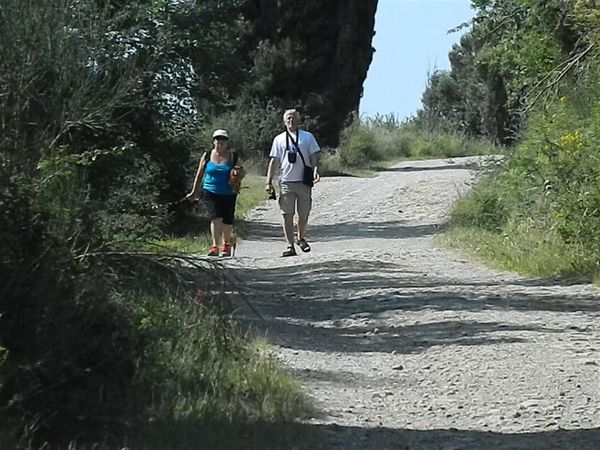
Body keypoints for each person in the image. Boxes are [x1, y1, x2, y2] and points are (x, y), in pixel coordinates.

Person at [266, 109, 321, 257]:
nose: (291, 121)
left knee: (303, 214)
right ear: (284, 122)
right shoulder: (279, 139)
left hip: (304, 181)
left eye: (293, 118)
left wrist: (316, 170)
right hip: (286, 181)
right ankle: (290, 245)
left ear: (298, 120)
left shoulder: (307, 137)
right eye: (288, 118)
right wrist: (268, 181)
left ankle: (301, 237)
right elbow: (274, 160)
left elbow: (314, 155)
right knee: (287, 214)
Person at [186, 129, 245, 257]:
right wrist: (194, 192)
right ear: (213, 141)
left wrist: (237, 175)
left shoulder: (233, 156)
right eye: (218, 139)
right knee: (215, 217)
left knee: (227, 221)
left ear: (227, 142)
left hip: (229, 192)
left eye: (223, 140)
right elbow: (200, 174)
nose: (220, 142)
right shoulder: (207, 155)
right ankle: (214, 246)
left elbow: (242, 171)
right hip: (210, 191)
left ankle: (227, 244)